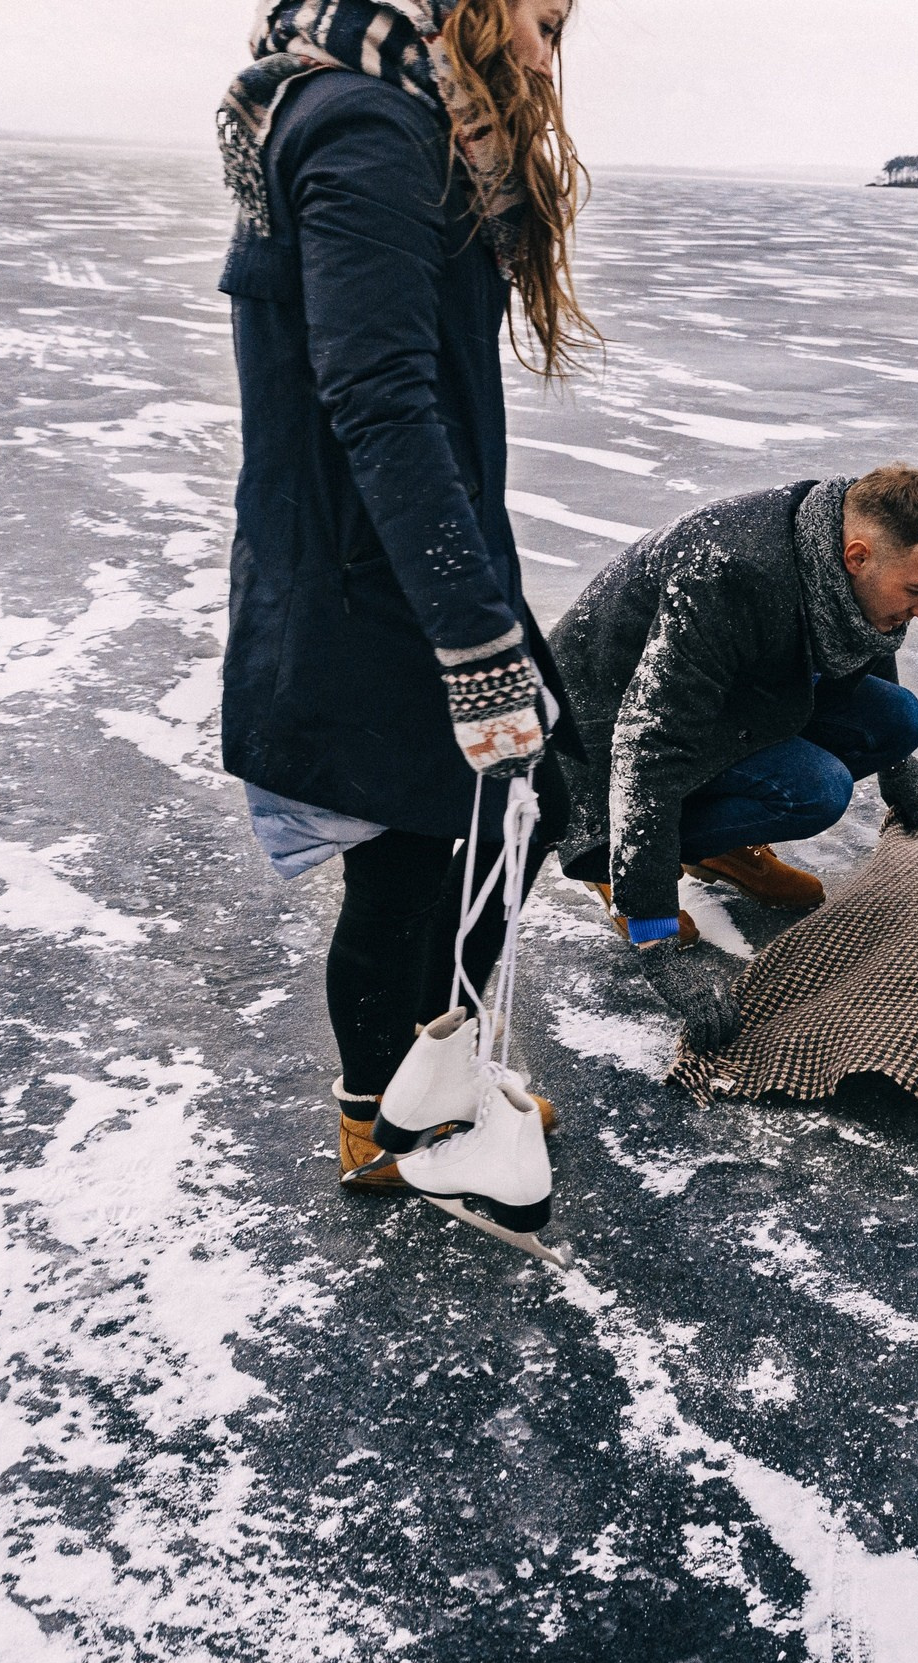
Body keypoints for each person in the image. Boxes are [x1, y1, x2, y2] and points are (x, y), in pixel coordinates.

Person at [215, 0, 594, 1196]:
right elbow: (374, 394)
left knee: (505, 810)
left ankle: (433, 1073)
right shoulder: (368, 129)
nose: (546, 54)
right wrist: (472, 635)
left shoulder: (401, 121)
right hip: (369, 574)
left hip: (403, 554)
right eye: (540, 18)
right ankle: (386, 1114)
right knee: (412, 854)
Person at [543, 468, 918, 1049]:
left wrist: (896, 759)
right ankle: (619, 864)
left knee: (899, 720)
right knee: (814, 789)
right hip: (604, 739)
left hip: (730, 694)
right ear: (857, 557)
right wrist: (655, 937)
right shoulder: (732, 575)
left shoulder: (839, 535)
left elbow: (855, 636)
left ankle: (719, 847)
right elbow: (649, 746)